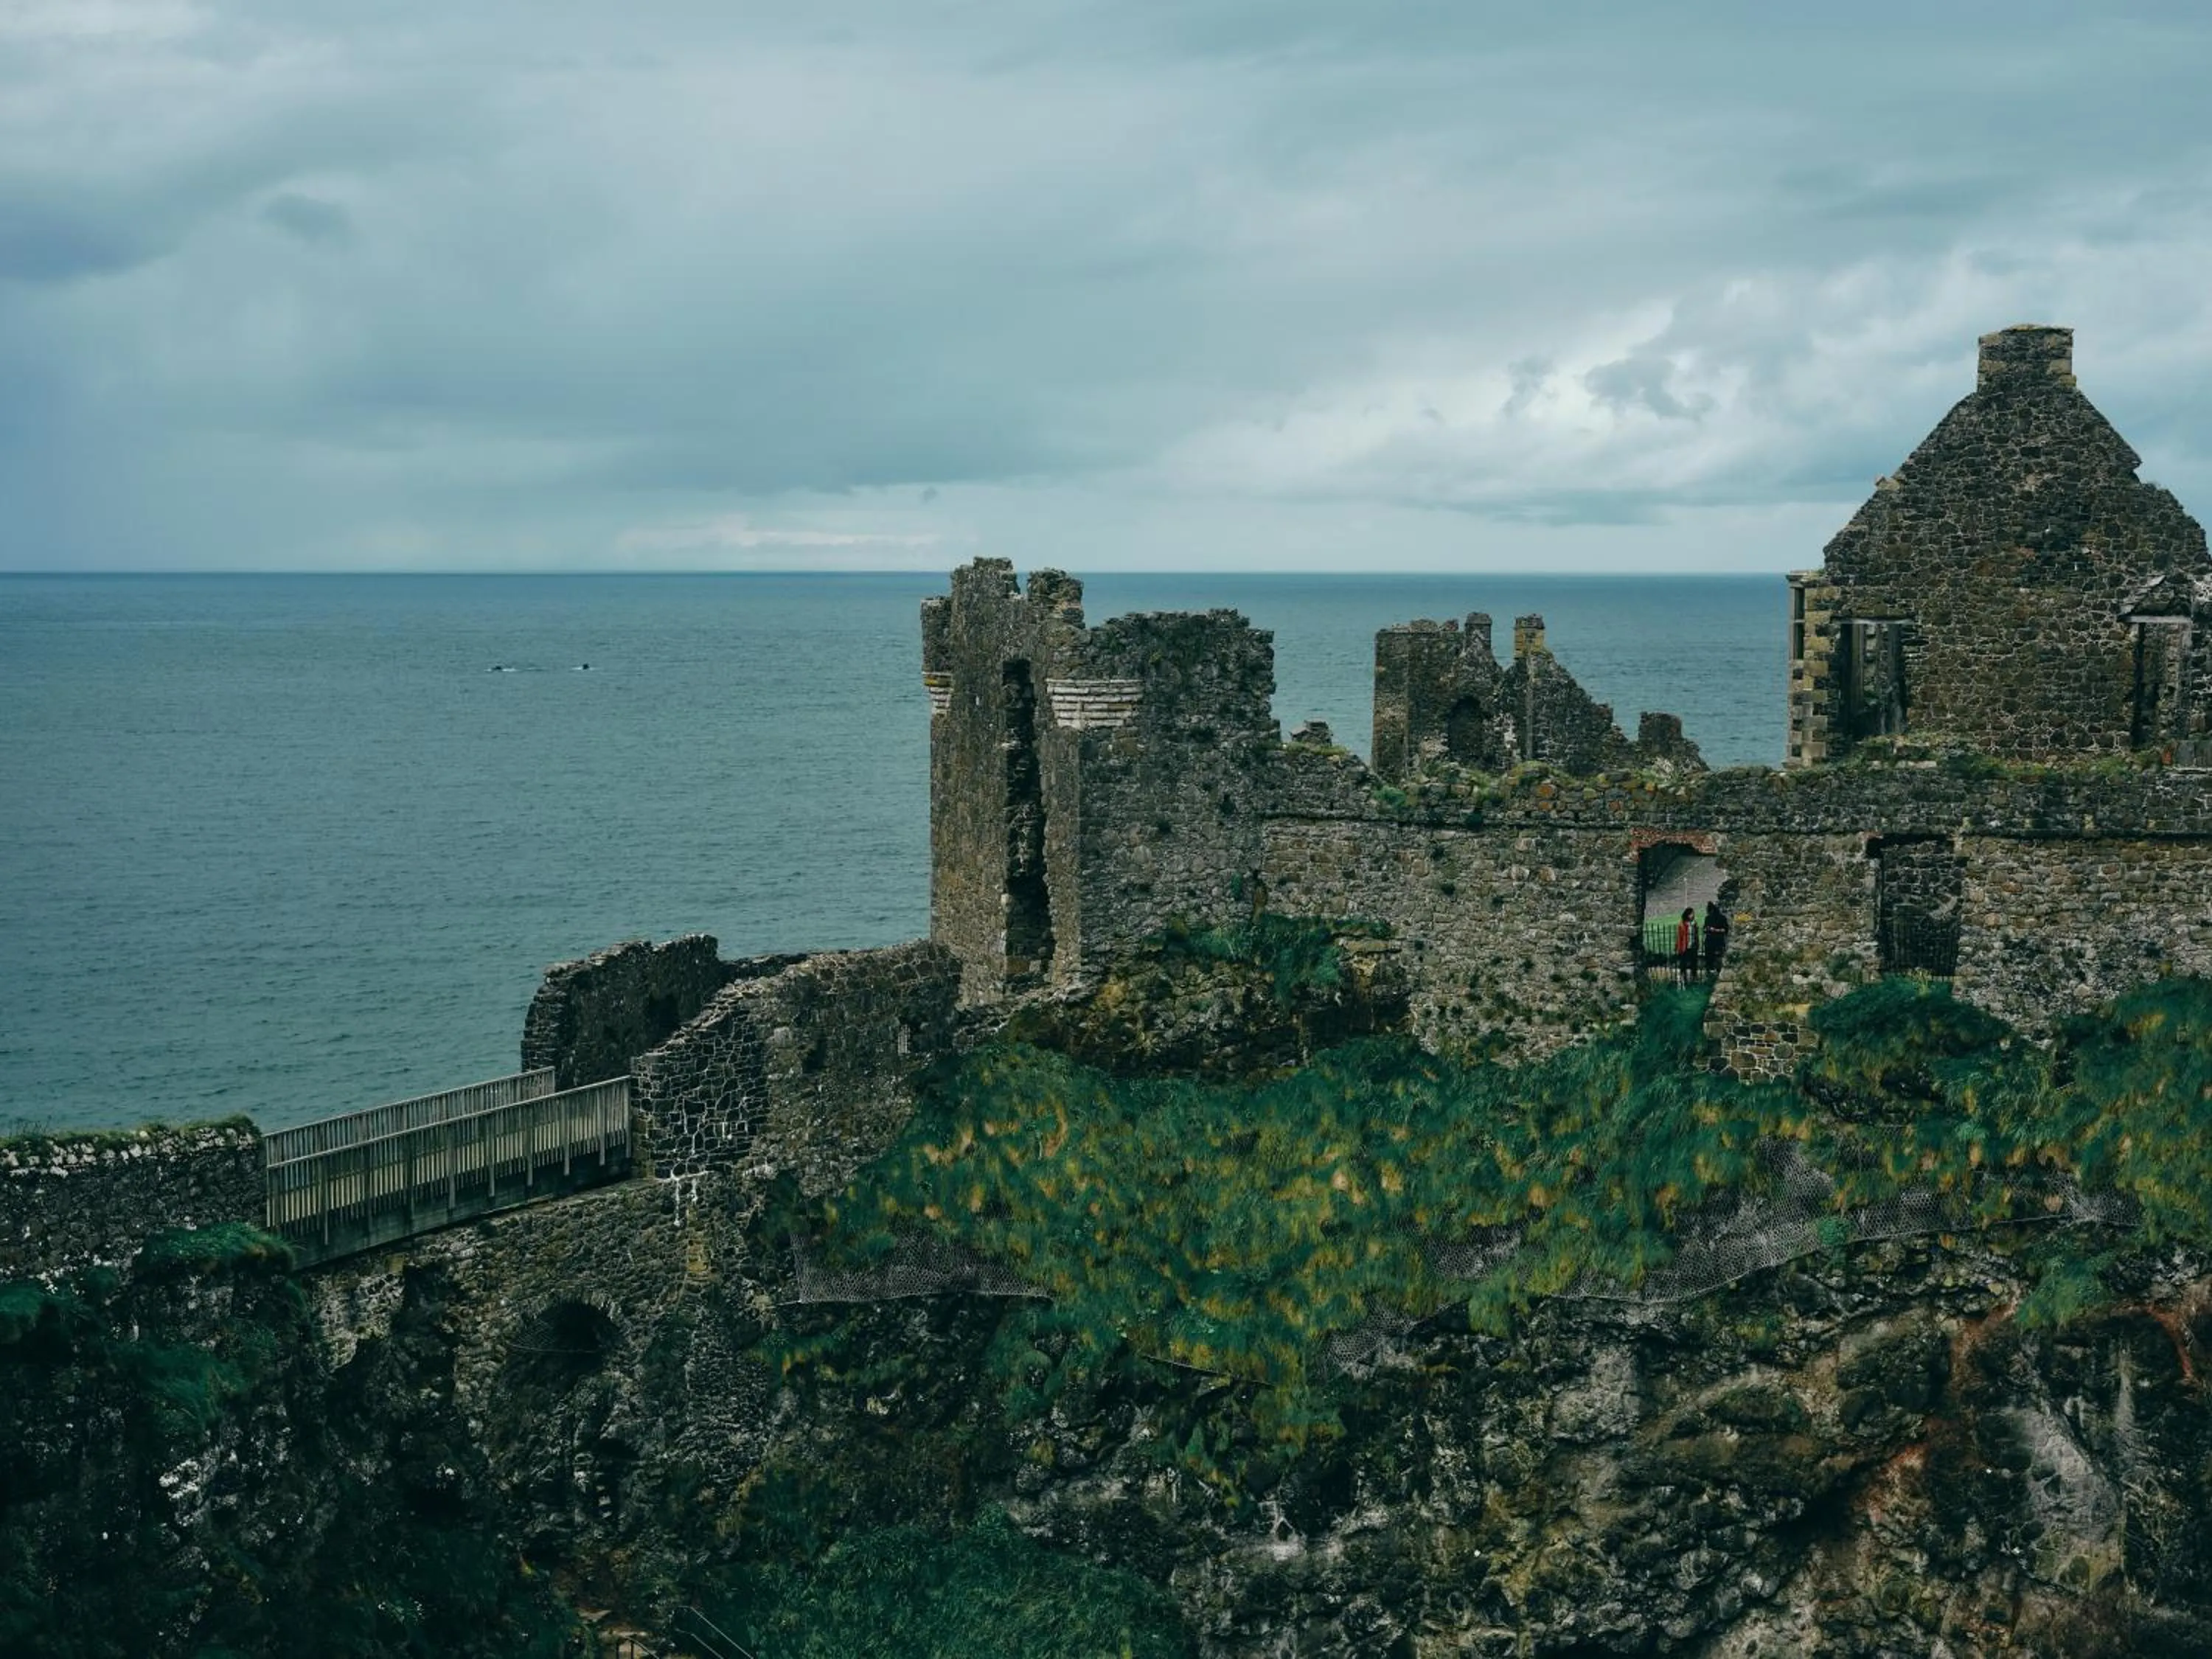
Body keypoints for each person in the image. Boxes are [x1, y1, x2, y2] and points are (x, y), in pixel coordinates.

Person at [1703, 900, 1730, 978]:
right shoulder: (1707, 918)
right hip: (1710, 940)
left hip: (1717, 940)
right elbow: (1705, 928)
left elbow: (1725, 930)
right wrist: (1708, 929)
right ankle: (1711, 972)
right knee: (1710, 957)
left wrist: (1715, 930)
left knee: (1718, 957)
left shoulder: (1722, 918)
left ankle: (1718, 971)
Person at [1675, 906, 1697, 985]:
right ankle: (1683, 979)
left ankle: (1693, 979)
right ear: (1688, 915)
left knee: (1694, 963)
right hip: (1685, 947)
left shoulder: (1694, 923)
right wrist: (1678, 947)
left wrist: (1697, 944)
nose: (1693, 915)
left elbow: (1696, 935)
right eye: (1692, 914)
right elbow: (1679, 937)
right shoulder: (1682, 924)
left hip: (1693, 946)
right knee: (1683, 964)